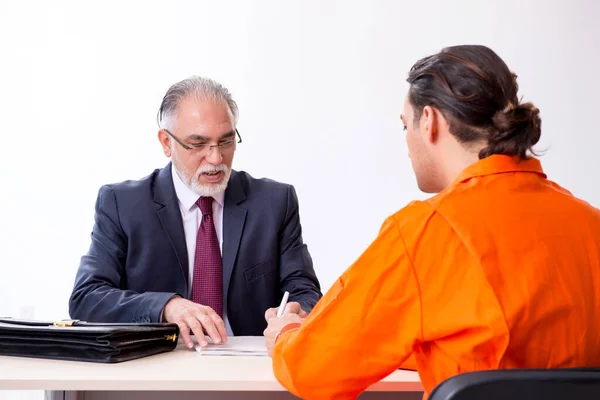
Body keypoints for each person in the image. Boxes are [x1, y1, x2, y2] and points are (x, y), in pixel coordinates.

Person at [263, 45, 600, 399]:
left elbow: (311, 369)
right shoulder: (590, 224)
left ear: (429, 121)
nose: (407, 143)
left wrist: (286, 333)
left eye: (405, 125)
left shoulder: (427, 231)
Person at [69, 76, 322, 348]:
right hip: (159, 367)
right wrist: (166, 306)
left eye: (225, 142)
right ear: (166, 142)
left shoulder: (274, 203)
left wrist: (296, 314)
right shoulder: (122, 204)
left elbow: (305, 292)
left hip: (247, 367)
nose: (215, 159)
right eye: (198, 144)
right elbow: (87, 297)